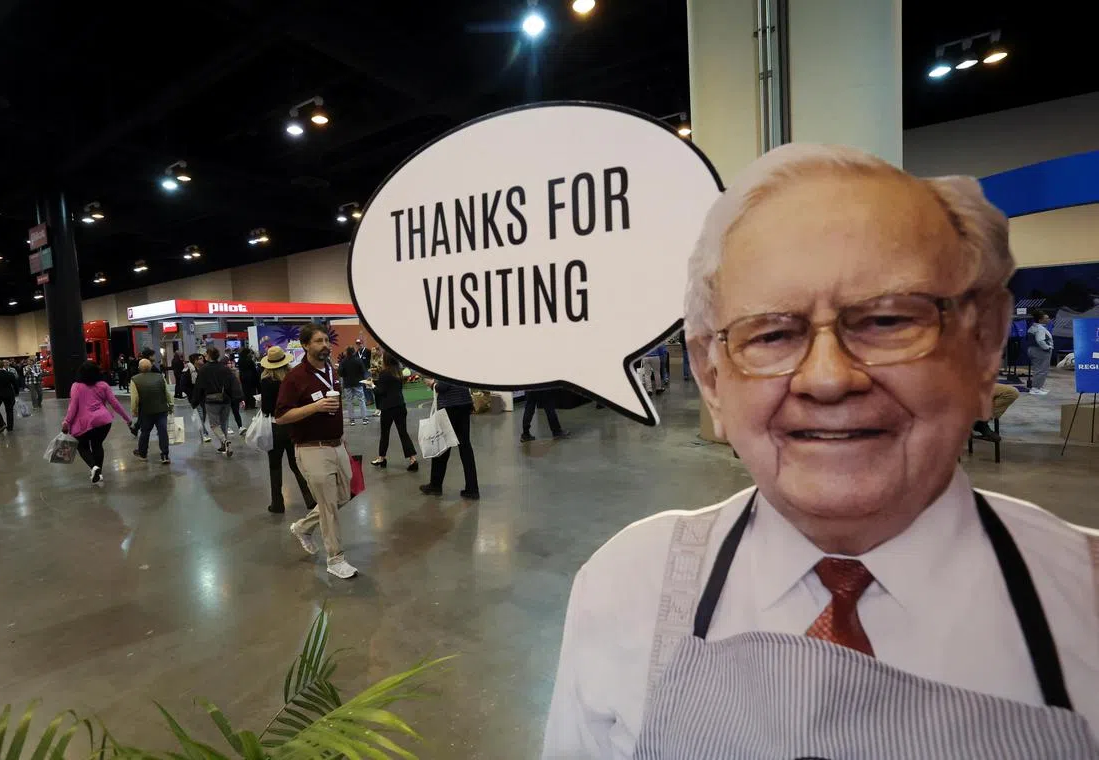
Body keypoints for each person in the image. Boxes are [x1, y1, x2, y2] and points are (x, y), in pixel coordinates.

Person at [543, 144, 1099, 757]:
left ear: (985, 346)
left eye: (889, 320)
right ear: (711, 379)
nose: (829, 379)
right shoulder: (627, 586)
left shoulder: (1082, 606)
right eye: (773, 334)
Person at [274, 323, 358, 580]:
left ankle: (302, 526)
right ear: (306, 345)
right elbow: (281, 417)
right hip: (312, 449)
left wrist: (342, 439)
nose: (324, 345)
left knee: (345, 495)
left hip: (337, 445)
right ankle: (335, 559)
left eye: (326, 340)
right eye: (318, 341)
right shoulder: (294, 378)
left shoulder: (331, 370)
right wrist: (316, 407)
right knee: (329, 506)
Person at [260, 346, 317, 514]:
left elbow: (266, 408)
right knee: (297, 464)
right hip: (293, 424)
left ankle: (277, 504)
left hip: (275, 426)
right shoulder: (292, 378)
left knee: (275, 466)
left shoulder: (265, 381)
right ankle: (310, 499)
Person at [62, 360, 133, 484]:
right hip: (103, 421)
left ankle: (94, 467)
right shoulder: (103, 385)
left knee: (82, 446)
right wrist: (127, 418)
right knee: (97, 444)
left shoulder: (76, 386)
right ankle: (98, 472)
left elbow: (72, 407)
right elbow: (115, 404)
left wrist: (66, 422)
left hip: (84, 422)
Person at [420, 379, 479, 500]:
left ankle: (435, 484)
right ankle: (472, 488)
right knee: (465, 447)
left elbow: (443, 386)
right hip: (464, 403)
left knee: (441, 445)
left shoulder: (446, 363)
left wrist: (432, 384)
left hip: (450, 406)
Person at [191, 346, 243, 458]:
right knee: (224, 422)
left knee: (214, 424)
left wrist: (195, 401)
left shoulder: (204, 369)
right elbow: (233, 383)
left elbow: (199, 386)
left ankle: (224, 441)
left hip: (211, 400)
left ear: (209, 356)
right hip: (226, 400)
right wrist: (238, 397)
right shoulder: (224, 368)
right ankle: (223, 445)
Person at [370, 353, 419, 471]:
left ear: (386, 360)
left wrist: (372, 385)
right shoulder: (399, 372)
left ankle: (382, 458)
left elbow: (380, 391)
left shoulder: (384, 373)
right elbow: (390, 386)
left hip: (388, 408)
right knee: (403, 433)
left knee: (385, 434)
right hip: (400, 405)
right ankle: (413, 459)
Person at [131, 358, 174, 464]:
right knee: (162, 431)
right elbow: (167, 392)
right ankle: (165, 455)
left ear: (139, 368)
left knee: (145, 432)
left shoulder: (135, 379)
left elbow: (134, 398)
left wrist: (134, 411)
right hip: (161, 410)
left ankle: (143, 453)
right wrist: (171, 404)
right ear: (150, 367)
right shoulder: (160, 377)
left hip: (146, 410)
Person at [1027, 309, 1054, 395]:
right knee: (1041, 370)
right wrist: (1047, 348)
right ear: (1040, 320)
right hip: (1040, 351)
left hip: (1033, 349)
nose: (1048, 319)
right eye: (1046, 318)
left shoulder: (1033, 327)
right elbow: (1040, 340)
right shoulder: (1040, 329)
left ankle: (1038, 386)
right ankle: (1035, 388)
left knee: (1039, 369)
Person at [340, 346, 370, 425]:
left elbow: (340, 373)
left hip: (347, 384)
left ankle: (352, 420)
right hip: (358, 383)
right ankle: (365, 419)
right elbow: (363, 371)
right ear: (353, 352)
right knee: (361, 400)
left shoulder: (343, 361)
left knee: (349, 402)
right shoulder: (358, 360)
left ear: (347, 352)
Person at [187, 354, 211, 443]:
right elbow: (183, 385)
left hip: (203, 396)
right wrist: (192, 395)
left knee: (204, 415)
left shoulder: (202, 370)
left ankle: (202, 430)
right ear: (195, 361)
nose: (202, 360)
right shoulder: (188, 371)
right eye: (200, 359)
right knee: (201, 414)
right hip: (195, 398)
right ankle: (205, 433)